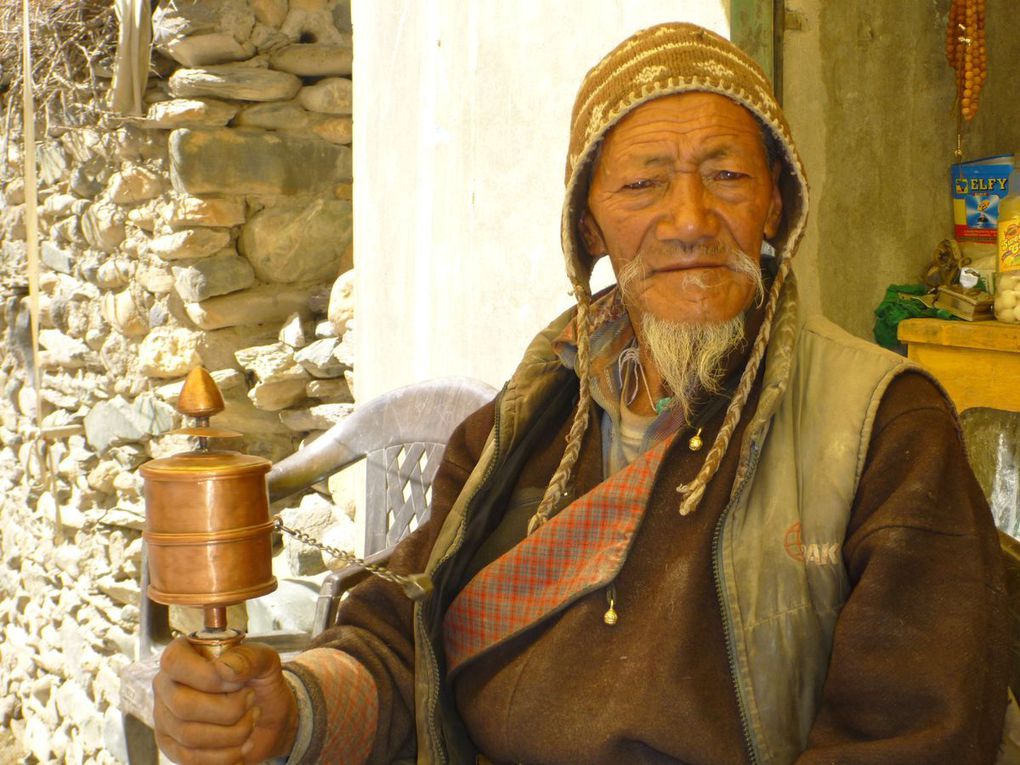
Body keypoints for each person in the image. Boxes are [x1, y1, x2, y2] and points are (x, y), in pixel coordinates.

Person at [152, 22, 1009, 765]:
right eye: (643, 184)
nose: (688, 220)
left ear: (776, 205)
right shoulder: (532, 419)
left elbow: (913, 736)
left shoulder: (884, 428)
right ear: (590, 225)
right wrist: (285, 709)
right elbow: (405, 636)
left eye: (728, 177)